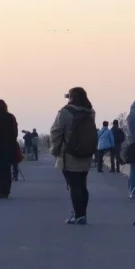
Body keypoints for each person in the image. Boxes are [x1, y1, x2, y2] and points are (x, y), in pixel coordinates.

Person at [50, 87, 97, 225]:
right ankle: (81, 214)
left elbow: (56, 131)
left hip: (69, 154)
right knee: (82, 184)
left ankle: (79, 215)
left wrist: (55, 149)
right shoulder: (90, 112)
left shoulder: (65, 112)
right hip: (86, 153)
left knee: (74, 185)